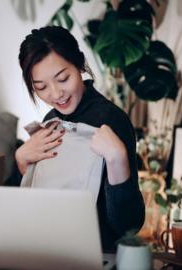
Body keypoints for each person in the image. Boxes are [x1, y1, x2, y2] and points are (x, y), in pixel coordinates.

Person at [16, 26, 145, 251]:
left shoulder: (112, 120)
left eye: (63, 78)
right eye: (41, 87)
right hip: (46, 250)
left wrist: (118, 159)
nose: (56, 94)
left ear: (80, 64)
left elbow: (128, 226)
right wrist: (22, 159)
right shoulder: (50, 119)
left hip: (96, 255)